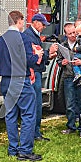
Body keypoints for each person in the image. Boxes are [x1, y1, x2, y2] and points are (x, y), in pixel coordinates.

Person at [0, 10, 44, 162]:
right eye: (23, 22)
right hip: (21, 80)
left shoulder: (0, 40)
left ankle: (13, 148)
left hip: (6, 81)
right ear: (19, 21)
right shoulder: (23, 38)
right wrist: (38, 56)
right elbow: (30, 61)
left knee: (11, 114)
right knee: (28, 114)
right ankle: (25, 150)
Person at [56, 23, 81, 137]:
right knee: (69, 104)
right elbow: (58, 60)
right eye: (70, 33)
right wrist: (62, 63)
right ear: (66, 35)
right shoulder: (63, 46)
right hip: (68, 76)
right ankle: (71, 126)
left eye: (74, 32)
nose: (73, 35)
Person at [24, 13, 58, 142]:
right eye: (43, 24)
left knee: (35, 102)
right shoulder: (29, 36)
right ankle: (35, 133)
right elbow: (34, 56)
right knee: (36, 103)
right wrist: (48, 54)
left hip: (35, 71)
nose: (44, 27)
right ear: (35, 22)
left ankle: (34, 131)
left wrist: (47, 56)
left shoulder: (33, 35)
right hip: (34, 72)